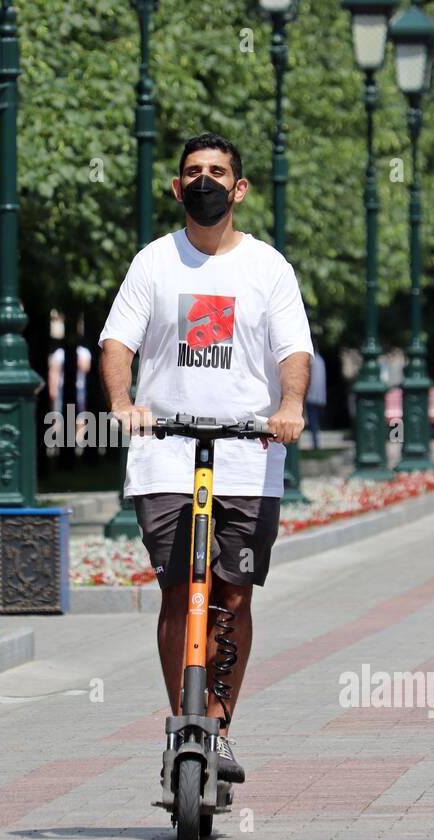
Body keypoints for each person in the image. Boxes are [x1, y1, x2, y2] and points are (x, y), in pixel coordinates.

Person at [98, 132, 312, 784]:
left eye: (218, 172)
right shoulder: (154, 262)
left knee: (233, 596)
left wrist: (291, 405)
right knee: (179, 591)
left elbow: (293, 353)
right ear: (176, 186)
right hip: (166, 454)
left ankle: (218, 725)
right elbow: (117, 342)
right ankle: (185, 720)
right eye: (193, 171)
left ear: (239, 187)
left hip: (249, 454)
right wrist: (122, 401)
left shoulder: (268, 268)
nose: (205, 181)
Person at [305, 340, 327, 449]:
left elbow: (309, 378)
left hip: (311, 395)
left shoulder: (312, 361)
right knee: (315, 421)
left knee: (312, 421)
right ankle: (315, 443)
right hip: (320, 396)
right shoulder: (321, 361)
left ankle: (315, 444)